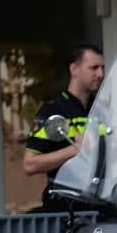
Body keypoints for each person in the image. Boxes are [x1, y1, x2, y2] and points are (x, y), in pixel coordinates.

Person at [25, 44, 105, 197]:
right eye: (94, 68)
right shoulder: (53, 110)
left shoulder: (103, 109)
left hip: (101, 198)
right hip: (65, 202)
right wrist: (75, 150)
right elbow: (30, 164)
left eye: (102, 68)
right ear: (74, 69)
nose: (100, 74)